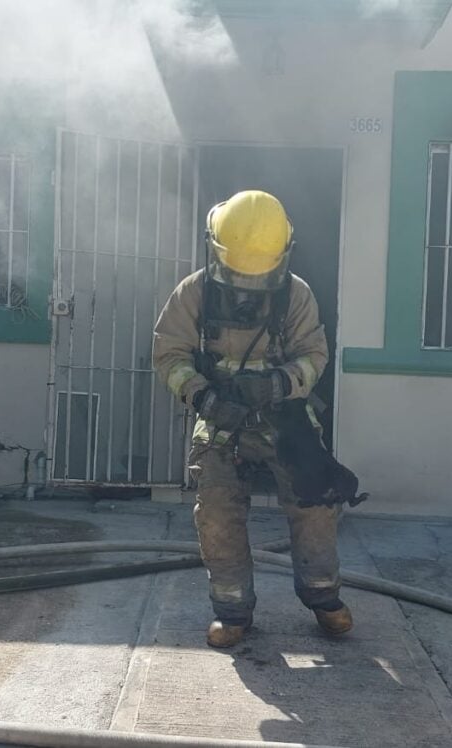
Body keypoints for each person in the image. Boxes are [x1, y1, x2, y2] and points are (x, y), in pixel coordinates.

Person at [153, 190, 353, 648]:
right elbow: (168, 353)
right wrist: (202, 397)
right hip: (221, 419)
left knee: (315, 504)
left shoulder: (296, 294)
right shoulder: (194, 292)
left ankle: (324, 599)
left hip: (286, 417)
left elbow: (315, 354)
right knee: (218, 513)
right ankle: (233, 611)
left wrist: (280, 383)